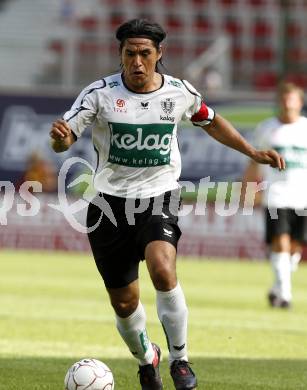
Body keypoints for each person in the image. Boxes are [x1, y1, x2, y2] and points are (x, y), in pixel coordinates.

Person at [49, 19, 284, 390]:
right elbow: (65, 138)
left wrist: (252, 151)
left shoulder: (178, 92)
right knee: (125, 304)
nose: (137, 62)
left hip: (158, 197)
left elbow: (211, 121)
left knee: (162, 268)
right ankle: (147, 360)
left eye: (145, 53)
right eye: (130, 54)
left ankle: (180, 360)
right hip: (108, 207)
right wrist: (60, 141)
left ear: (159, 54)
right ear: (120, 55)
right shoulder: (98, 94)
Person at [241, 82, 306, 309]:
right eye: (284, 98)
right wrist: (248, 191)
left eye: (292, 98)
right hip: (276, 194)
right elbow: (253, 161)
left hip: (302, 196)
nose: (288, 102)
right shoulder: (266, 128)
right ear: (279, 101)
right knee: (281, 241)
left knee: (295, 248)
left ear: (300, 102)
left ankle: (277, 287)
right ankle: (285, 294)